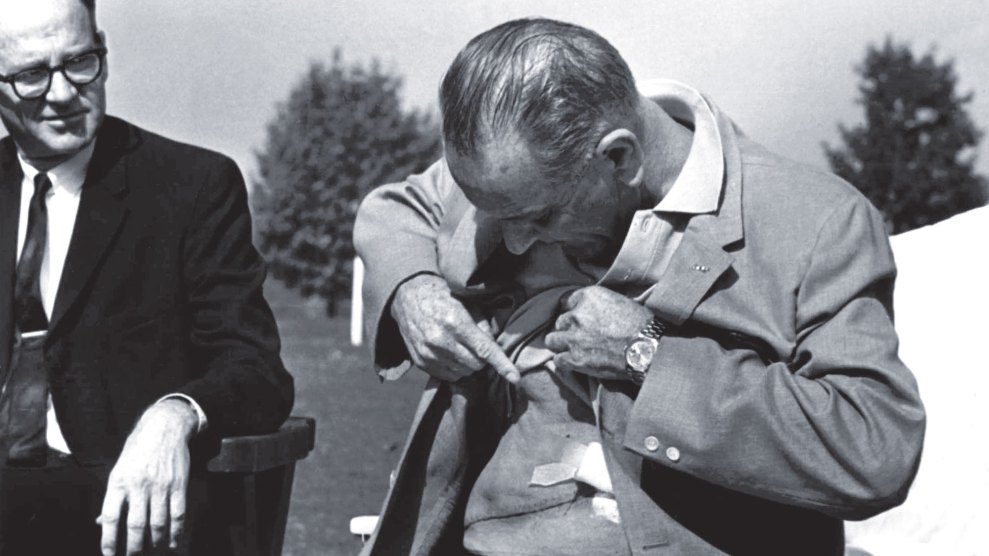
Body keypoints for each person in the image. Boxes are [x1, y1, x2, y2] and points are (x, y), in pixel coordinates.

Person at [354, 17, 925, 555]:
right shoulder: (516, 176)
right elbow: (395, 208)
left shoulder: (817, 223)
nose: (517, 242)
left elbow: (873, 450)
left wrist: (644, 351)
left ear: (620, 157)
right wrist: (414, 290)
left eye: (538, 218)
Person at [0, 0, 294, 554]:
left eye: (80, 62)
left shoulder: (193, 188)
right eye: (32, 76)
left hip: (116, 520)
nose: (63, 94)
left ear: (103, 52)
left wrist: (175, 413)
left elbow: (255, 369)